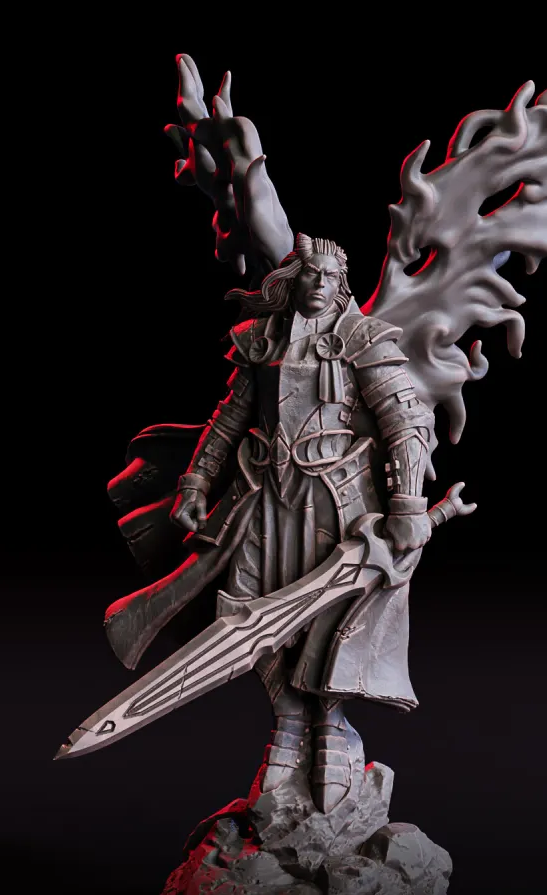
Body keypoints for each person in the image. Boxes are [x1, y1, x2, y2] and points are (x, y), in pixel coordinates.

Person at [159, 233, 435, 813]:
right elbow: (229, 417)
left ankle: (330, 726)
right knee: (247, 607)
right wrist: (196, 481)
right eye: (310, 274)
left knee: (333, 614)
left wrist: (408, 505)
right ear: (291, 281)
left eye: (330, 277)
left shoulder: (361, 339)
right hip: (264, 495)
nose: (320, 284)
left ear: (342, 286)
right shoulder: (261, 340)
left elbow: (405, 423)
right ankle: (287, 721)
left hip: (339, 500)